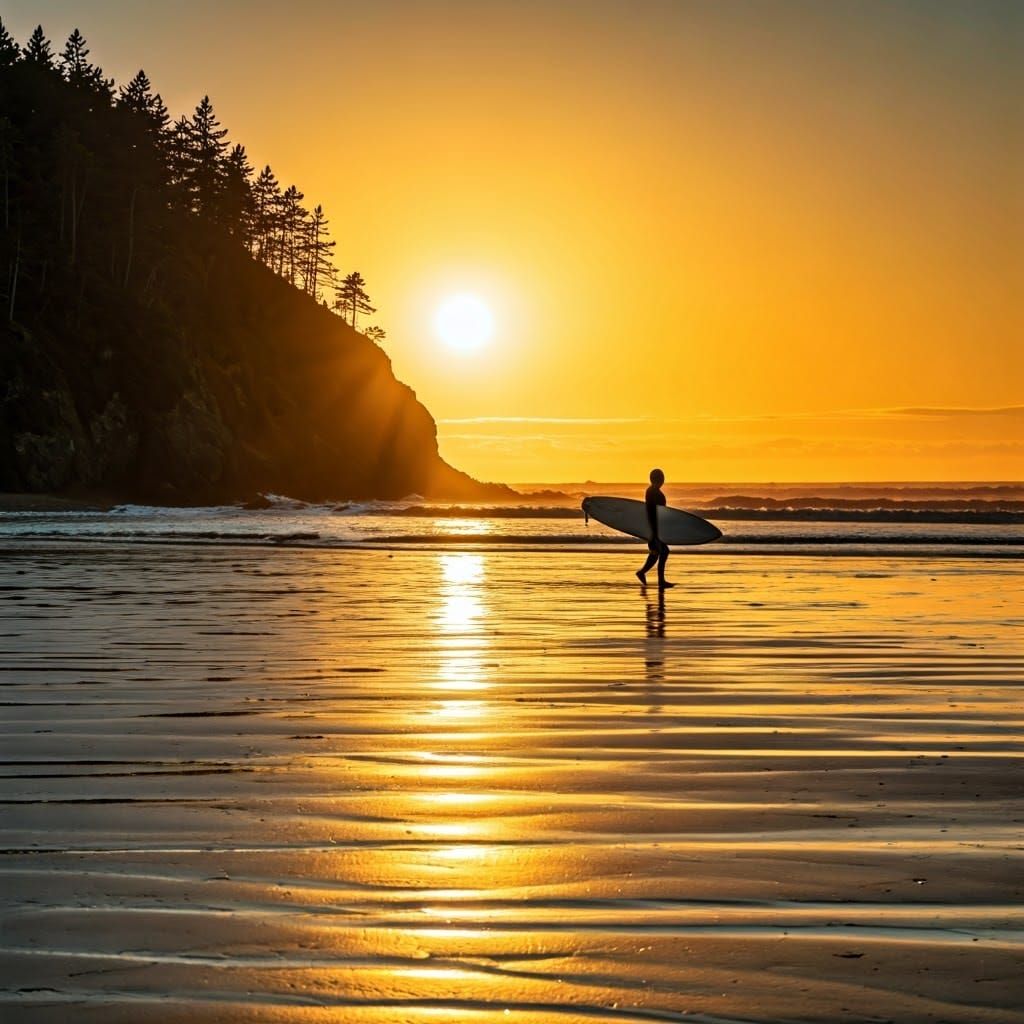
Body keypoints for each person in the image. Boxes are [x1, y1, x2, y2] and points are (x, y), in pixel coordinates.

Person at [636, 468, 674, 589]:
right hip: (654, 528)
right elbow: (652, 512)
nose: (663, 480)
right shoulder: (653, 492)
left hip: (655, 528)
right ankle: (660, 581)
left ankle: (642, 572)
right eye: (661, 478)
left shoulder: (652, 491)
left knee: (655, 553)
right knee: (663, 551)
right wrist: (654, 532)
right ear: (658, 479)